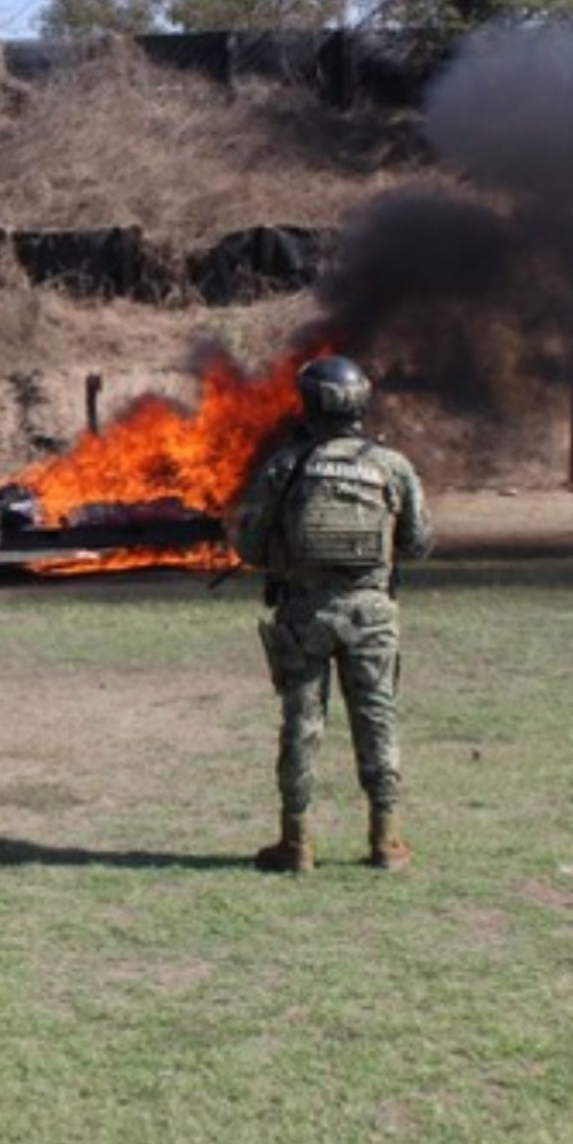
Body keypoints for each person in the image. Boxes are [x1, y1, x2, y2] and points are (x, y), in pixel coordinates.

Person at [233, 355, 434, 873]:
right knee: (378, 720)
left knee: (302, 725)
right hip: (373, 614)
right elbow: (418, 543)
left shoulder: (288, 465)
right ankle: (385, 841)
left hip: (304, 614)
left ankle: (295, 842)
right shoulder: (392, 466)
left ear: (309, 402)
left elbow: (251, 545)